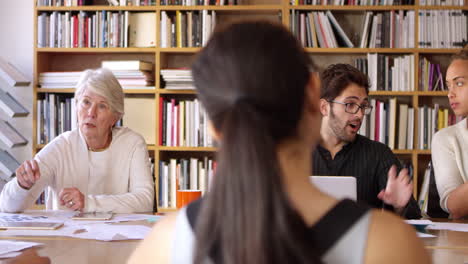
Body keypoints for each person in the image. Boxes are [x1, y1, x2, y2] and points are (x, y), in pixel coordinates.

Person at [128, 21, 429, 264]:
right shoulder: (391, 244)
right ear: (315, 98)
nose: (359, 114)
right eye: (351, 104)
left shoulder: (165, 243)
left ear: (213, 126)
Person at [0, 68, 154, 213]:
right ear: (76, 106)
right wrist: (21, 186)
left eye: (101, 106)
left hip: (121, 238)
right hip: (66, 239)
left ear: (115, 117)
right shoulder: (61, 146)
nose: (91, 113)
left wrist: (89, 203)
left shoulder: (132, 143)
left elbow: (145, 201)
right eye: (86, 102)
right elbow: (6, 206)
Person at [312, 63, 421, 219]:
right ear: (324, 107)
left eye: (363, 106)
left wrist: (398, 207)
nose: (360, 115)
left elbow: (413, 216)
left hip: (365, 243)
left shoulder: (379, 154)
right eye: (350, 104)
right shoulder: (296, 153)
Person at [432, 47, 468, 219]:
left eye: (459, 83)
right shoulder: (445, 139)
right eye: (448, 85)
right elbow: (455, 207)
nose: (450, 94)